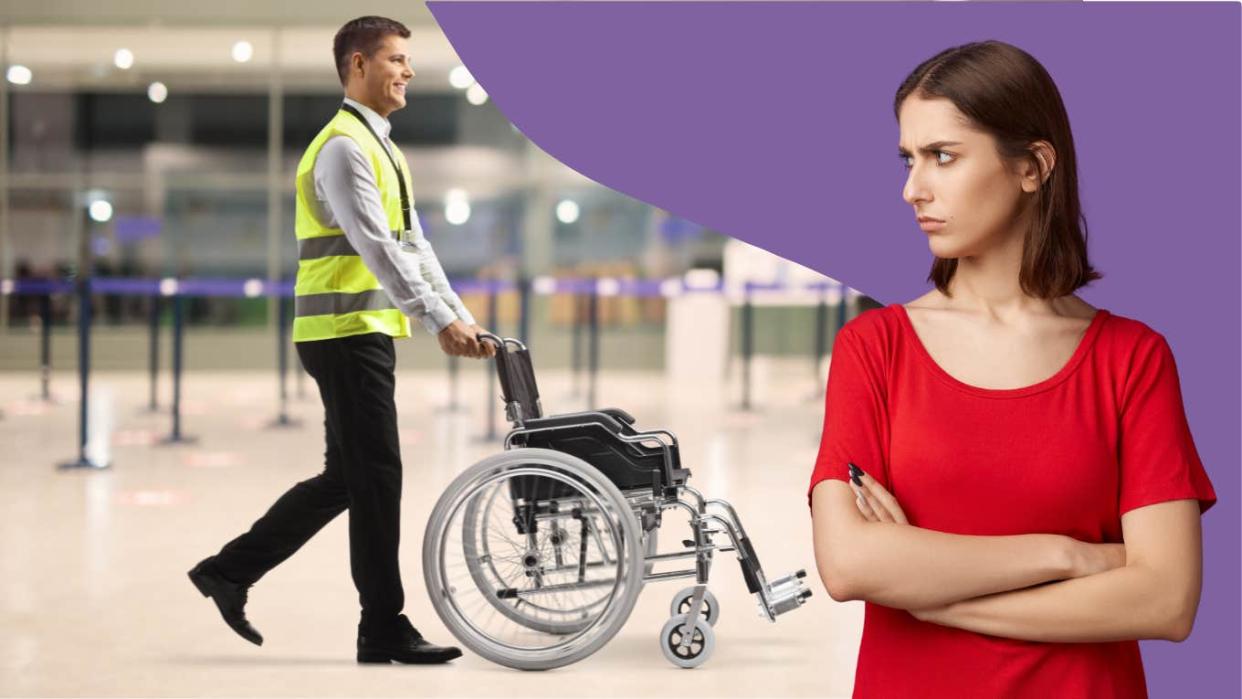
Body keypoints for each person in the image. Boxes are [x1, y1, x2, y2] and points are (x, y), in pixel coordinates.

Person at [808, 40, 1216, 698]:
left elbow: (1165, 599)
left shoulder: (1131, 359)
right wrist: (1071, 554)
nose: (913, 188)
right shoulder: (875, 347)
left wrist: (936, 597)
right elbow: (850, 562)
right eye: (909, 159)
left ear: (1032, 166)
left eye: (943, 156)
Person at [189, 15, 495, 665]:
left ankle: (227, 570)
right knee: (378, 474)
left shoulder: (382, 147)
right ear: (358, 65)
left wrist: (456, 312)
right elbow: (375, 247)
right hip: (342, 332)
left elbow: (416, 246)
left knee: (348, 478)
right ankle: (382, 624)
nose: (408, 71)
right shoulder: (342, 148)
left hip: (362, 329)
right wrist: (439, 320)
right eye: (396, 59)